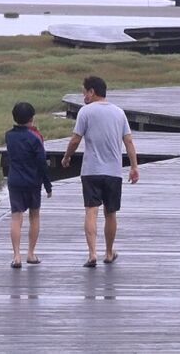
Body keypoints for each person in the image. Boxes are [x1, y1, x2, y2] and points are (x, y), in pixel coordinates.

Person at [62, 76, 139, 267]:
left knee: (91, 211)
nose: (83, 96)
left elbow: (75, 140)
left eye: (84, 92)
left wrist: (66, 157)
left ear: (92, 92)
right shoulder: (119, 112)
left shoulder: (85, 112)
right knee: (110, 213)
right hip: (113, 171)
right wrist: (134, 167)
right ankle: (109, 252)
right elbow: (128, 141)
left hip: (91, 171)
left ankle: (92, 253)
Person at [4, 102, 52, 269]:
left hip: (15, 180)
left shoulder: (8, 136)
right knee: (34, 216)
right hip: (32, 181)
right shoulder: (35, 137)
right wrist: (48, 185)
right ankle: (30, 254)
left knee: (16, 217)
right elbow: (41, 163)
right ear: (32, 118)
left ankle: (16, 256)